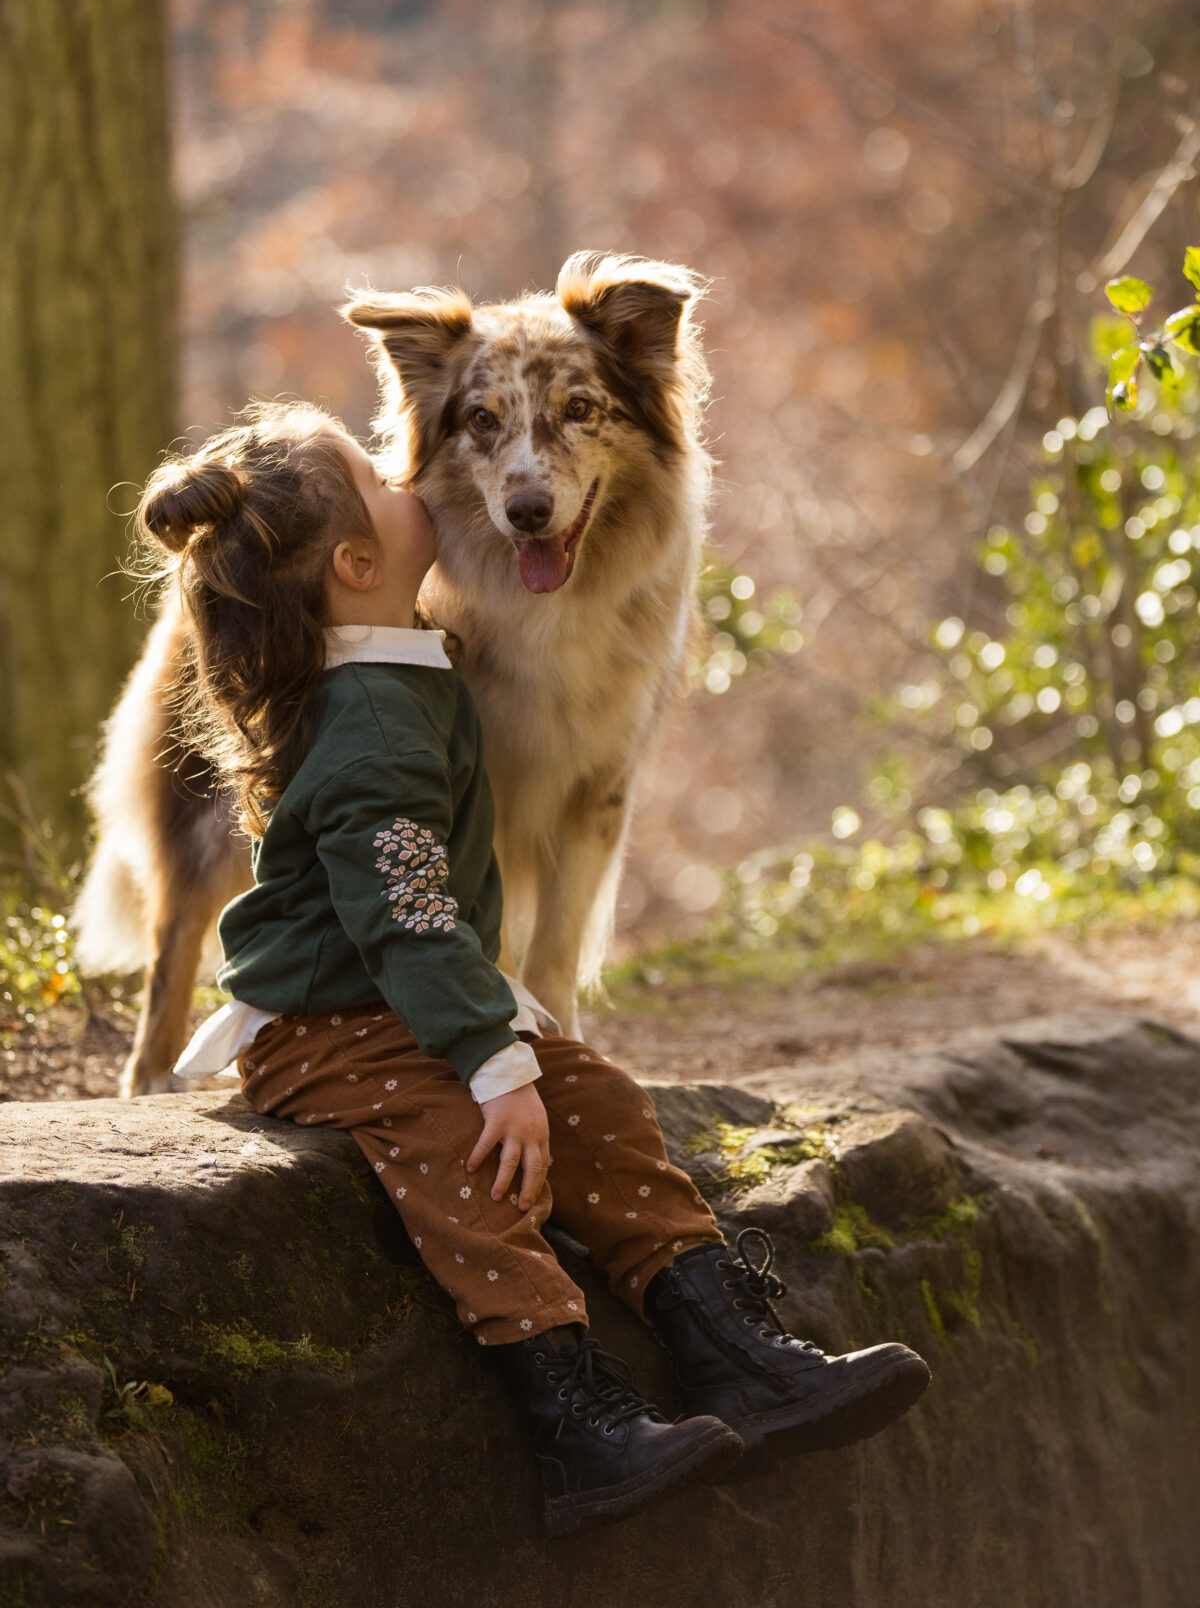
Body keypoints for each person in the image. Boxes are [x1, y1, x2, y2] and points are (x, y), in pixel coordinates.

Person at [143, 401, 930, 1538]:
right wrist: (491, 1062)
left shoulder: (397, 660)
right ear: (359, 563)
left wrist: (512, 1052)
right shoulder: (370, 720)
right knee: (472, 1154)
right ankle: (577, 1423)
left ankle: (730, 1347)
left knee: (599, 1099)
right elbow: (410, 913)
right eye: (377, 473)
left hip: (400, 998)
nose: (404, 471)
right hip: (325, 1027)